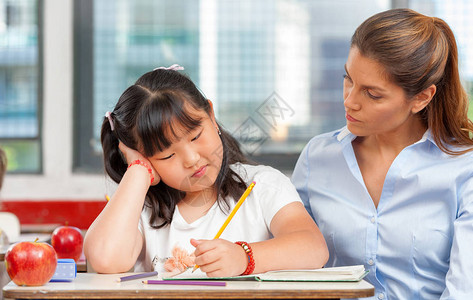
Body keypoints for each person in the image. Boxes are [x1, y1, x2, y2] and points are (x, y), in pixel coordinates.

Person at [292, 8, 473, 300]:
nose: (349, 101)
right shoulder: (319, 157)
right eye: (348, 78)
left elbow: (464, 291)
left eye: (372, 94)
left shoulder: (464, 170)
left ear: (421, 98)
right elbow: (290, 265)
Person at [84, 65, 328, 276]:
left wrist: (244, 258)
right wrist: (137, 170)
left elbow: (313, 248)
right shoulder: (139, 208)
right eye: (167, 155)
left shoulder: (262, 185)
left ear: (211, 115)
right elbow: (105, 259)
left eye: (196, 136)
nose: (191, 159)